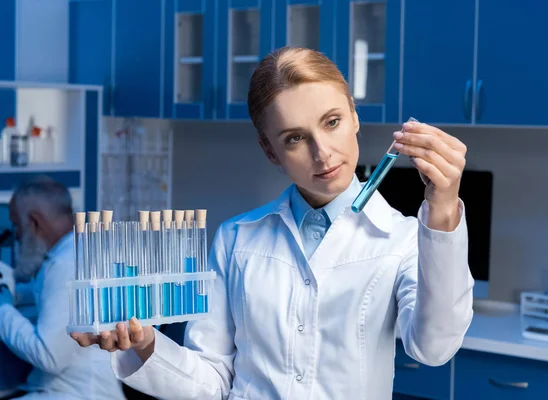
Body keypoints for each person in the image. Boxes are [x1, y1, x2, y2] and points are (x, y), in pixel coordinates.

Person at [72, 46, 474, 400]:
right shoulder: (236, 238)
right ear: (270, 151)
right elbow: (212, 382)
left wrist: (442, 208)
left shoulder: (403, 240)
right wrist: (144, 344)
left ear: (353, 114)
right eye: (295, 139)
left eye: (331, 121)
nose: (323, 153)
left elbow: (434, 347)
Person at [0, 177, 126, 399]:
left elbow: (49, 356)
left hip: (78, 393)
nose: (17, 237)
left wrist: (3, 310)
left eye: (17, 226)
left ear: (34, 222)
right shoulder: (78, 250)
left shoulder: (65, 265)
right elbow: (51, 296)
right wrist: (14, 295)